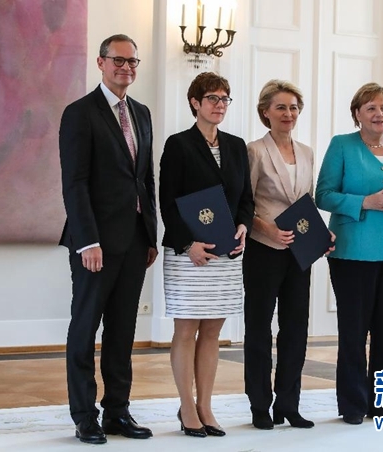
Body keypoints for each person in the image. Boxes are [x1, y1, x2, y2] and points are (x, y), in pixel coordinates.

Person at [59, 34, 158, 445]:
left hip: (135, 241)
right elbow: (75, 183)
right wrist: (88, 241)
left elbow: (145, 178)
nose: (126, 68)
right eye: (118, 60)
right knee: (85, 329)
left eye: (132, 62)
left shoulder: (142, 113)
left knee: (122, 331)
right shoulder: (80, 113)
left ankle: (117, 411)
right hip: (94, 244)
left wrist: (151, 234)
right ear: (101, 63)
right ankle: (85, 416)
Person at [315, 82, 383, 425]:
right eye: (371, 108)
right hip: (352, 252)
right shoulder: (342, 145)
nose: (380, 114)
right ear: (357, 114)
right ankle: (353, 404)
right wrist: (365, 202)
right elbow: (324, 195)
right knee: (354, 331)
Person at [159, 72, 254, 438]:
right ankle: (186, 406)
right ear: (195, 103)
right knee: (186, 329)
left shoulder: (236, 146)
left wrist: (244, 225)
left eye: (225, 98)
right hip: (189, 254)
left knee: (213, 331)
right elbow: (168, 202)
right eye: (212, 98)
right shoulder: (178, 144)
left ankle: (206, 406)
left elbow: (245, 198)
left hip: (225, 254)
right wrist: (188, 245)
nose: (219, 104)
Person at [243, 80, 335, 430]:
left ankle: (288, 403)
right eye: (281, 107)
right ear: (265, 112)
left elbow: (306, 202)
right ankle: (259, 405)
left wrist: (323, 234)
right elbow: (243, 204)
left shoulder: (308, 152)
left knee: (295, 328)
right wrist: (266, 229)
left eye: (294, 107)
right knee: (259, 329)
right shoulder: (254, 151)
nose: (288, 113)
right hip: (263, 250)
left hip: (300, 252)